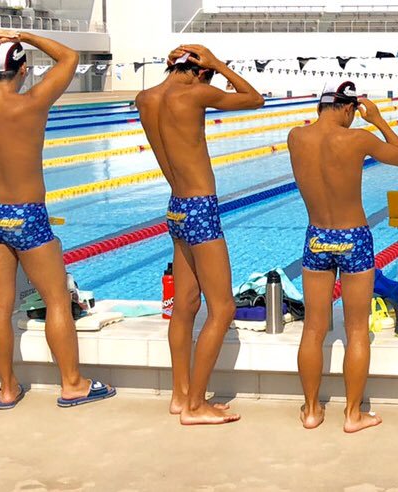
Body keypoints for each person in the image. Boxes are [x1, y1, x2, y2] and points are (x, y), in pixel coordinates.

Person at [0, 29, 114, 409]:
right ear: (23, 71)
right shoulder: (33, 103)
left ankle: (7, 389)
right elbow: (69, 57)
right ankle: (73, 384)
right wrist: (27, 36)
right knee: (56, 299)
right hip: (28, 214)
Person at [137, 45, 264, 425]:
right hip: (199, 208)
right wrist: (219, 63)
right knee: (222, 309)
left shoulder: (145, 98)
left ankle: (181, 396)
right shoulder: (195, 94)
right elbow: (254, 98)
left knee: (186, 304)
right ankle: (195, 406)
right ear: (201, 71)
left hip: (176, 207)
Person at [287, 81, 398, 433]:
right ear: (347, 108)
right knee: (357, 330)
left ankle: (312, 411)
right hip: (353, 237)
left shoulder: (296, 137)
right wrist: (378, 120)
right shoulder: (358, 139)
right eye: (354, 111)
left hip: (317, 236)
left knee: (313, 328)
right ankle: (353, 415)